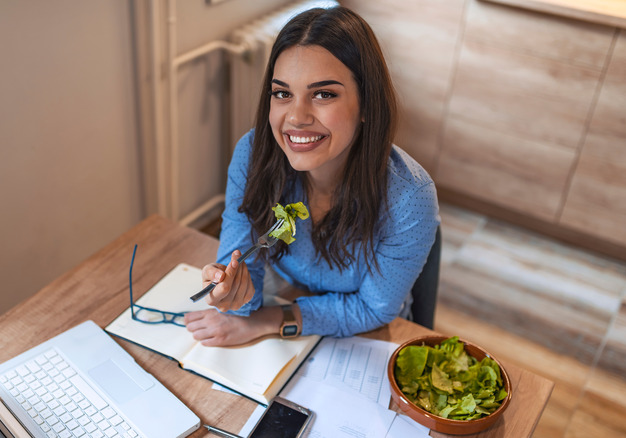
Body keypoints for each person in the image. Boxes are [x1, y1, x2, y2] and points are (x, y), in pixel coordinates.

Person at [184, 6, 439, 347]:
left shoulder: (410, 197)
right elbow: (243, 279)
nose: (297, 117)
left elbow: (373, 309)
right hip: (289, 293)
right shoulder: (253, 154)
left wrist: (268, 321)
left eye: (323, 94)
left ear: (366, 104)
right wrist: (233, 294)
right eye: (283, 93)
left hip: (367, 336)